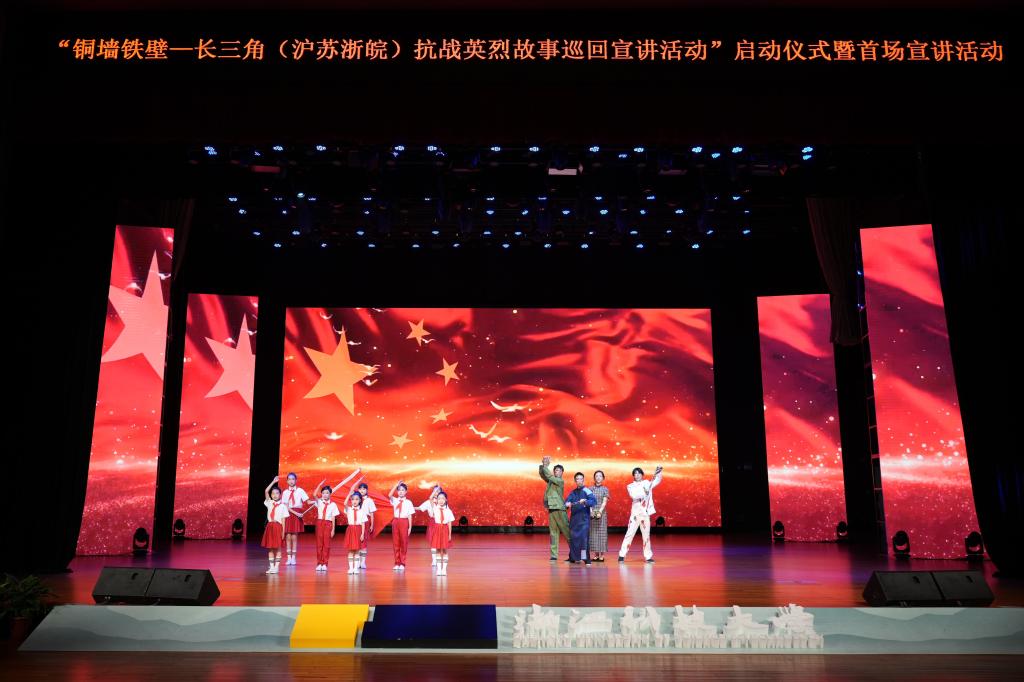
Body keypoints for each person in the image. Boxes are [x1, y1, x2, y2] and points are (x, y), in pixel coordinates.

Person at [618, 465, 663, 563]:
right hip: (635, 514)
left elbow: (657, 480)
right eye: (635, 474)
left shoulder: (647, 483)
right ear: (633, 476)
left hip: (645, 514)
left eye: (639, 473)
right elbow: (634, 496)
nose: (637, 475)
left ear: (642, 475)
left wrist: (659, 472)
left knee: (646, 536)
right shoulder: (630, 486)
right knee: (629, 534)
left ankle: (648, 556)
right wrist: (645, 492)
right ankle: (622, 555)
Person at [539, 456, 572, 562]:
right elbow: (543, 475)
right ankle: (554, 555)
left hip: (559, 509)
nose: (556, 472)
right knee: (553, 533)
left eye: (558, 470)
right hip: (552, 509)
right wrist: (542, 466)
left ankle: (574, 553)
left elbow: (548, 475)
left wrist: (545, 466)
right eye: (555, 470)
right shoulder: (551, 481)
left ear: (562, 472)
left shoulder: (559, 481)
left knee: (567, 533)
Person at [565, 472, 597, 565]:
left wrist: (585, 501)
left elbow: (593, 501)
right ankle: (573, 557)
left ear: (583, 480)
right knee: (574, 539)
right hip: (574, 520)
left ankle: (585, 558)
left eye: (581, 479)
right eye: (577, 479)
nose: (579, 480)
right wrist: (567, 504)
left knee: (583, 540)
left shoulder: (587, 491)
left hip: (584, 520)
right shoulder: (573, 492)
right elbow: (567, 501)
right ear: (575, 481)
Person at [261, 477, 289, 575]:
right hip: (270, 526)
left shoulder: (283, 506)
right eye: (273, 493)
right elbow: (266, 491)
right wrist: (273, 482)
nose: (275, 495)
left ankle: (276, 567)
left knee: (278, 547)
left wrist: (283, 532)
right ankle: (272, 567)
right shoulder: (270, 503)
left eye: (277, 493)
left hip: (278, 527)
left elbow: (283, 521)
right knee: (270, 548)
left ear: (280, 495)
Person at [280, 473, 310, 566]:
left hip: (297, 513)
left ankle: (293, 557)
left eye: (293, 479)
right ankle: (288, 557)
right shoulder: (285, 492)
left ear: (296, 480)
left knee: (294, 536)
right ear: (287, 481)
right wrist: (296, 513)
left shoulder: (300, 491)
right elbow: (285, 506)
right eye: (289, 479)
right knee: (288, 536)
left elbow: (308, 501)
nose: (291, 481)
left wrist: (317, 501)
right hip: (288, 513)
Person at [311, 483, 341, 572]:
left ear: (330, 494)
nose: (325, 495)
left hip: (328, 524)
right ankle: (319, 563)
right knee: (319, 544)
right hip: (320, 523)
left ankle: (325, 563)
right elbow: (314, 494)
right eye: (323, 493)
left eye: (327, 493)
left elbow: (333, 517)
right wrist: (319, 485)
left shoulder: (333, 504)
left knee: (326, 545)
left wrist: (333, 529)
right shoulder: (319, 502)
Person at [388, 480, 415, 570]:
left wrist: (410, 527)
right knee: (396, 543)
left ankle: (402, 563)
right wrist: (396, 485)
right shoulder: (395, 500)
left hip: (404, 522)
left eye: (403, 490)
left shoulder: (408, 502)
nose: (401, 492)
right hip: (396, 521)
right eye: (399, 490)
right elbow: (389, 495)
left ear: (406, 491)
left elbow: (410, 515)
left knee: (404, 543)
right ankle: (397, 562)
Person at [428, 491, 456, 575]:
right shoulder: (435, 508)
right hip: (437, 529)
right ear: (436, 500)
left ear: (446, 500)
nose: (441, 500)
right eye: (439, 498)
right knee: (437, 550)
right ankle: (439, 569)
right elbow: (430, 498)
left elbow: (449, 523)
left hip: (444, 529)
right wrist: (435, 491)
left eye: (443, 498)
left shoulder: (448, 511)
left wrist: (450, 534)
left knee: (444, 550)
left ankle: (444, 569)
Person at [416, 485, 443, 569]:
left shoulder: (443, 501)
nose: (436, 493)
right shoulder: (429, 502)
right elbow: (420, 508)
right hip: (432, 522)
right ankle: (434, 560)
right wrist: (409, 507)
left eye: (438, 491)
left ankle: (438, 558)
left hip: (440, 522)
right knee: (432, 542)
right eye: (434, 491)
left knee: (439, 542)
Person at [588, 470, 611, 561]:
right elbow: (589, 502)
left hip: (602, 513)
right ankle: (596, 554)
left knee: (602, 534)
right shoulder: (590, 489)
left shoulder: (605, 489)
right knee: (593, 534)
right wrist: (591, 511)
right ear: (594, 478)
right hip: (592, 513)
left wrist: (600, 512)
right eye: (596, 476)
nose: (598, 477)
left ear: (603, 478)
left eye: (600, 476)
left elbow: (604, 502)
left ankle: (602, 555)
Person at [342, 492, 367, 574]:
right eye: (352, 499)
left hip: (358, 530)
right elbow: (344, 503)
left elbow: (363, 523)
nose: (354, 501)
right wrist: (349, 494)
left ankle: (356, 568)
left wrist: (362, 534)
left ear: (360, 500)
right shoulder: (349, 509)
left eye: (356, 499)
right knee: (350, 550)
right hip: (351, 530)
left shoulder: (362, 511)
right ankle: (351, 568)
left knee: (357, 550)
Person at [354, 481, 376, 570]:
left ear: (367, 490)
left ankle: (363, 562)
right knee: (357, 542)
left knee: (363, 542)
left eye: (364, 489)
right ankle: (357, 561)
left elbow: (372, 513)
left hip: (366, 522)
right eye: (360, 489)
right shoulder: (356, 499)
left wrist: (372, 525)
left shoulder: (369, 500)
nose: (362, 490)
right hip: (357, 522)